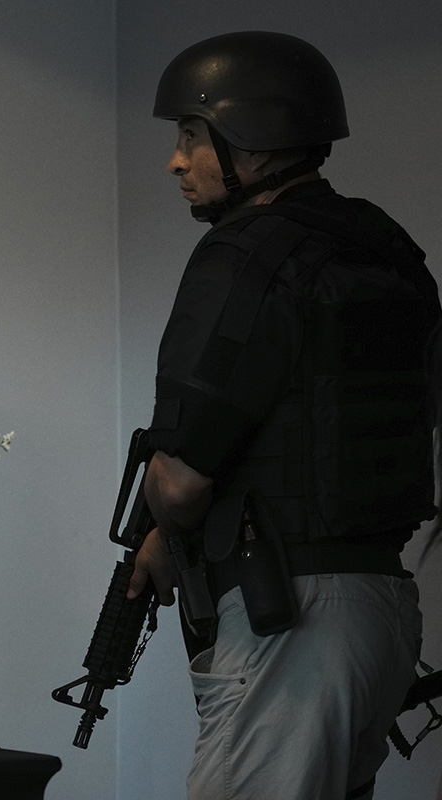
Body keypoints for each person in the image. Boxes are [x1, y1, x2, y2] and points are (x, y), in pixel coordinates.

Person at [127, 31, 440, 799]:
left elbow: (180, 477)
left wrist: (163, 528)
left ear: (253, 140)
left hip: (292, 621)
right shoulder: (386, 247)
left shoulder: (244, 255)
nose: (176, 160)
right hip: (384, 608)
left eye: (192, 135)